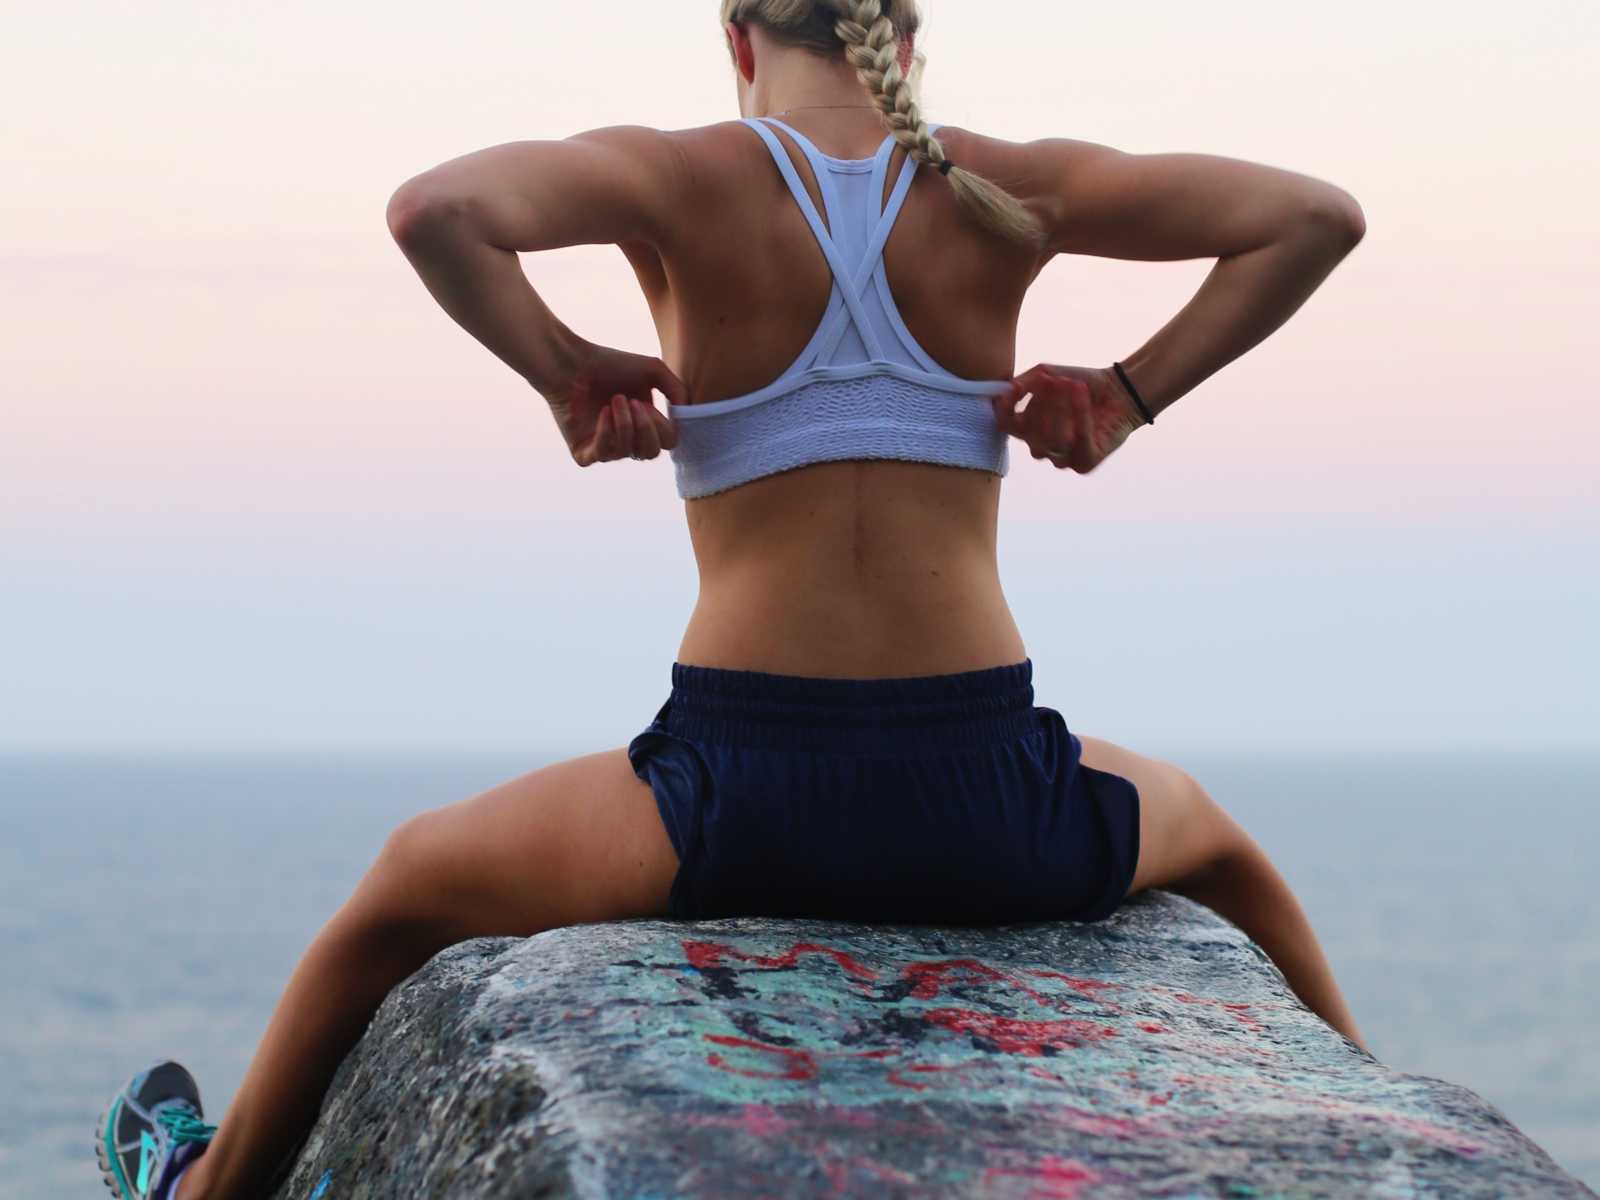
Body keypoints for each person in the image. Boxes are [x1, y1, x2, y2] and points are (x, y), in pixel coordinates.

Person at [97, 2, 1370, 1196]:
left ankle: (207, 1186)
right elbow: (1313, 217)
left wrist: (563, 371)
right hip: (995, 800)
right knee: (1220, 848)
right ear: (907, 40)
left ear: (735, 37)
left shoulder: (681, 175)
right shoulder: (1008, 184)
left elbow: (438, 208)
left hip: (737, 798)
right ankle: (1366, 1120)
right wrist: (1125, 394)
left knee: (402, 883)